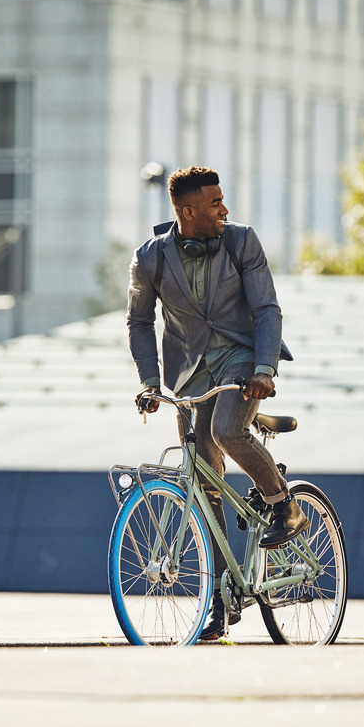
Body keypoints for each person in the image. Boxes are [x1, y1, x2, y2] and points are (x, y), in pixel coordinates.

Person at [125, 166, 306, 640]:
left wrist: (264, 370)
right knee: (203, 484)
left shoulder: (242, 242)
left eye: (224, 200)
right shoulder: (150, 260)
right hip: (187, 373)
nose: (224, 209)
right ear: (187, 211)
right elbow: (139, 323)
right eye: (215, 203)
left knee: (226, 431)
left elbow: (266, 309)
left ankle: (283, 504)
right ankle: (219, 606)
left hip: (241, 360)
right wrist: (149, 382)